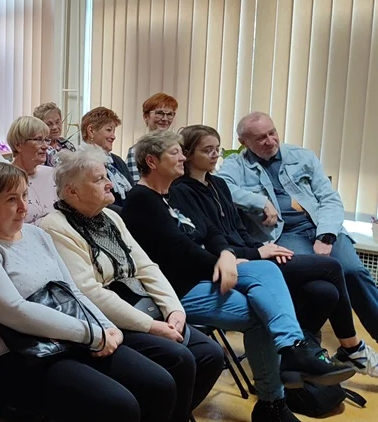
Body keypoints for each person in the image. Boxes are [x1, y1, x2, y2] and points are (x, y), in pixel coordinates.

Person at [121, 130, 355, 421]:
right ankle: (278, 391)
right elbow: (180, 251)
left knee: (265, 287)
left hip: (202, 275)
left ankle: (287, 367)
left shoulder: (167, 195)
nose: (182, 157)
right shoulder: (142, 199)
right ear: (152, 161)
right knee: (263, 300)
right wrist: (223, 262)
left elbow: (210, 230)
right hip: (175, 290)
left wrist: (227, 254)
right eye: (175, 153)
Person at [0, 161, 178, 422]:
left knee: (159, 385)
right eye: (11, 199)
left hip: (66, 339)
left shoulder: (36, 235)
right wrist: (92, 335)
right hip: (8, 356)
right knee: (119, 405)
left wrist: (106, 327)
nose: (24, 207)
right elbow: (15, 311)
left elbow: (73, 292)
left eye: (24, 195)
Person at [39, 145, 224, 422]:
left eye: (106, 176)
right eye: (98, 179)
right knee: (180, 358)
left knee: (210, 354)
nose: (109, 183)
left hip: (141, 304)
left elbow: (146, 267)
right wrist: (152, 326)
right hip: (108, 320)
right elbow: (89, 292)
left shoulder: (111, 216)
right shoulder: (55, 226)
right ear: (72, 192)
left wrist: (174, 309)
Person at [217, 114, 378, 374]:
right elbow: (222, 186)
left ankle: (354, 348)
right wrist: (260, 202)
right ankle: (321, 351)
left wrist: (326, 235)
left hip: (323, 227)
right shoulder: (236, 165)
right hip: (284, 234)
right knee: (319, 282)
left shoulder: (301, 156)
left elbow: (329, 199)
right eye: (260, 138)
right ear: (243, 142)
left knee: (354, 272)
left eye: (272, 133)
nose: (270, 141)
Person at [7, 116, 59, 225]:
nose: (46, 146)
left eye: (46, 140)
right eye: (39, 140)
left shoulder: (52, 174)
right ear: (18, 145)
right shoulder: (5, 180)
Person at [81, 106, 133, 207]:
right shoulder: (81, 163)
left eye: (114, 131)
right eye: (109, 130)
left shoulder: (117, 161)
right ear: (91, 131)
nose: (113, 136)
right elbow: (95, 201)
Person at [125, 93, 178, 182]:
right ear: (146, 117)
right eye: (159, 113)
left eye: (170, 114)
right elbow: (135, 184)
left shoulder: (179, 150)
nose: (165, 119)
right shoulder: (136, 151)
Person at [32, 102, 76, 167]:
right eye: (49, 124)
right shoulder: (39, 148)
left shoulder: (66, 144)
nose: (55, 127)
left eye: (57, 122)